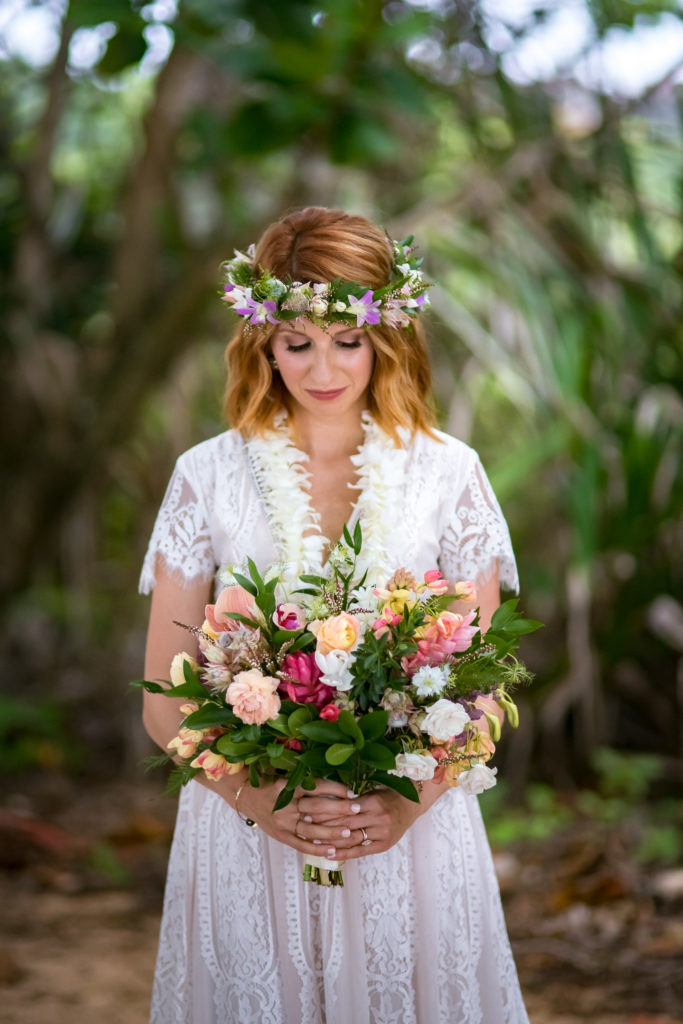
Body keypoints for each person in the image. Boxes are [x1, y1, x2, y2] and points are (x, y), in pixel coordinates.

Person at [140, 207, 529, 1024]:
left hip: (410, 831)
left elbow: (483, 691)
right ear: (262, 341)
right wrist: (261, 804)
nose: (324, 368)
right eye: (297, 342)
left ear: (385, 336)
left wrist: (398, 809)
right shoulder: (205, 475)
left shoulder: (448, 473)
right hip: (247, 828)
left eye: (346, 340)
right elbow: (163, 697)